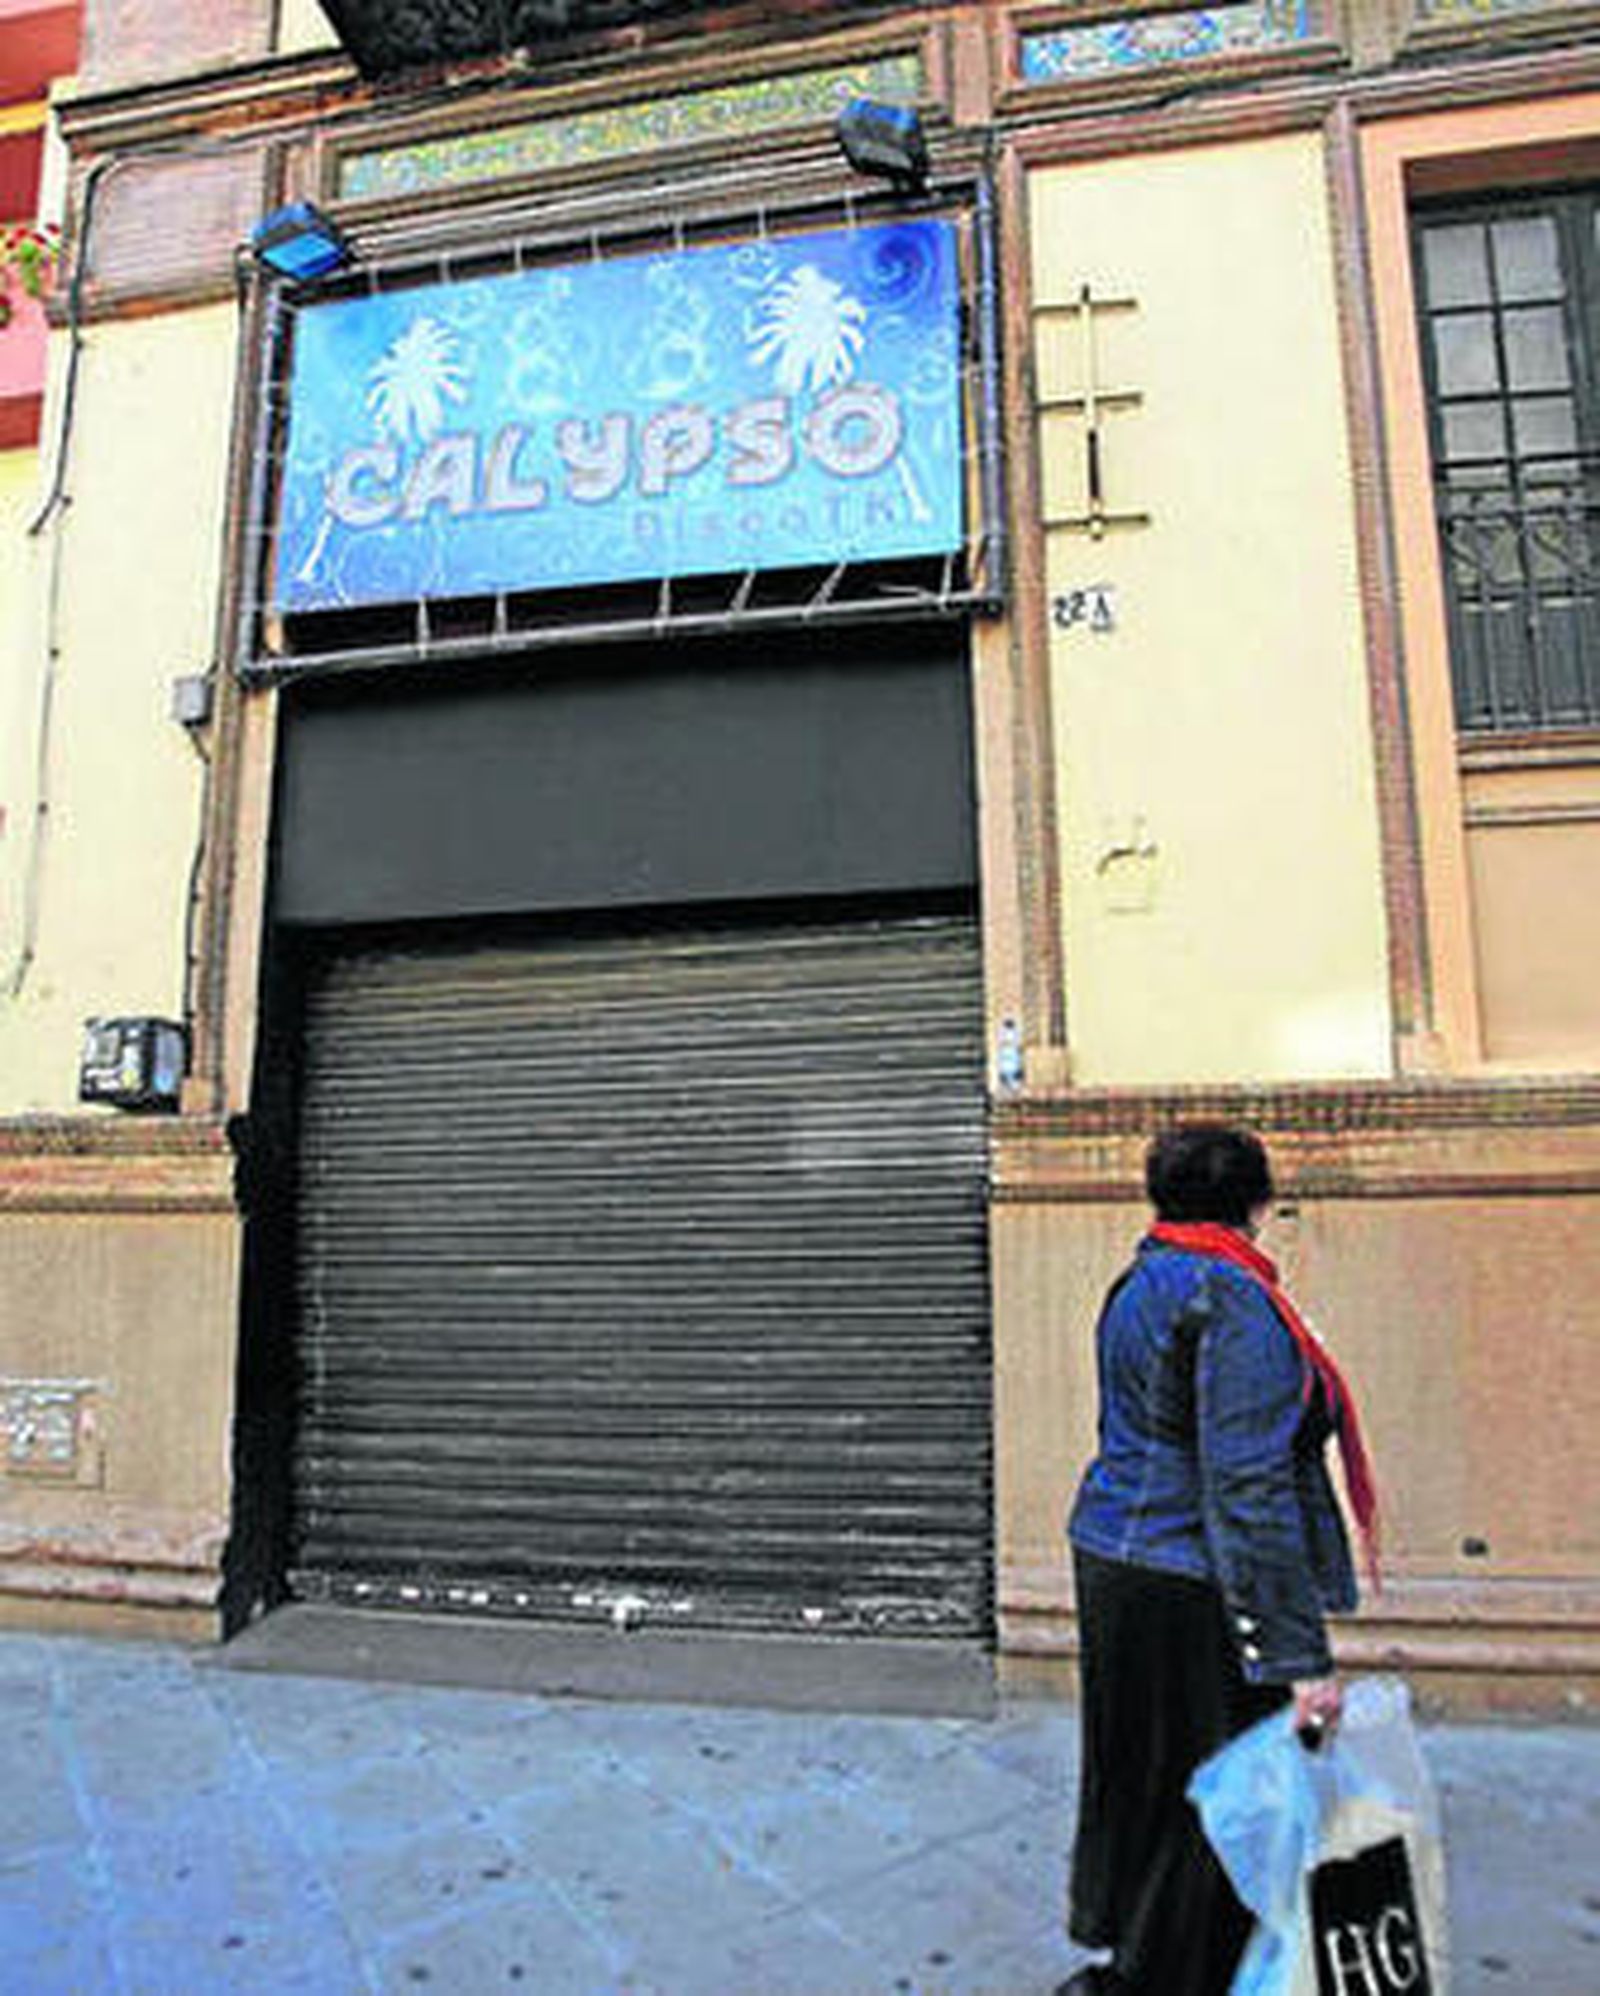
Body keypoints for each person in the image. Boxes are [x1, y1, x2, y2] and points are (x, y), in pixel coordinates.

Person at [1059, 1122, 1380, 1996]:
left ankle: (1127, 1955)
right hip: (1189, 1574)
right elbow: (1246, 1487)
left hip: (1116, 1555)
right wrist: (1298, 1658)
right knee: (1225, 1782)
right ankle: (1169, 1977)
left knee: (1140, 1771)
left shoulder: (1139, 1280)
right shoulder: (1233, 1298)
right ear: (1258, 1204)